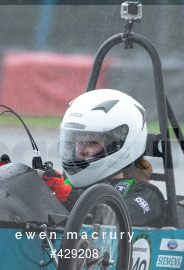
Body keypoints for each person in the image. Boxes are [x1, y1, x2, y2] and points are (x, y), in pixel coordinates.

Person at [44, 88, 166, 227]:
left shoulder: (146, 196)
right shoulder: (64, 182)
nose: (80, 151)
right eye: (77, 142)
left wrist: (68, 197)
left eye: (92, 143)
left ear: (119, 145)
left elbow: (111, 219)